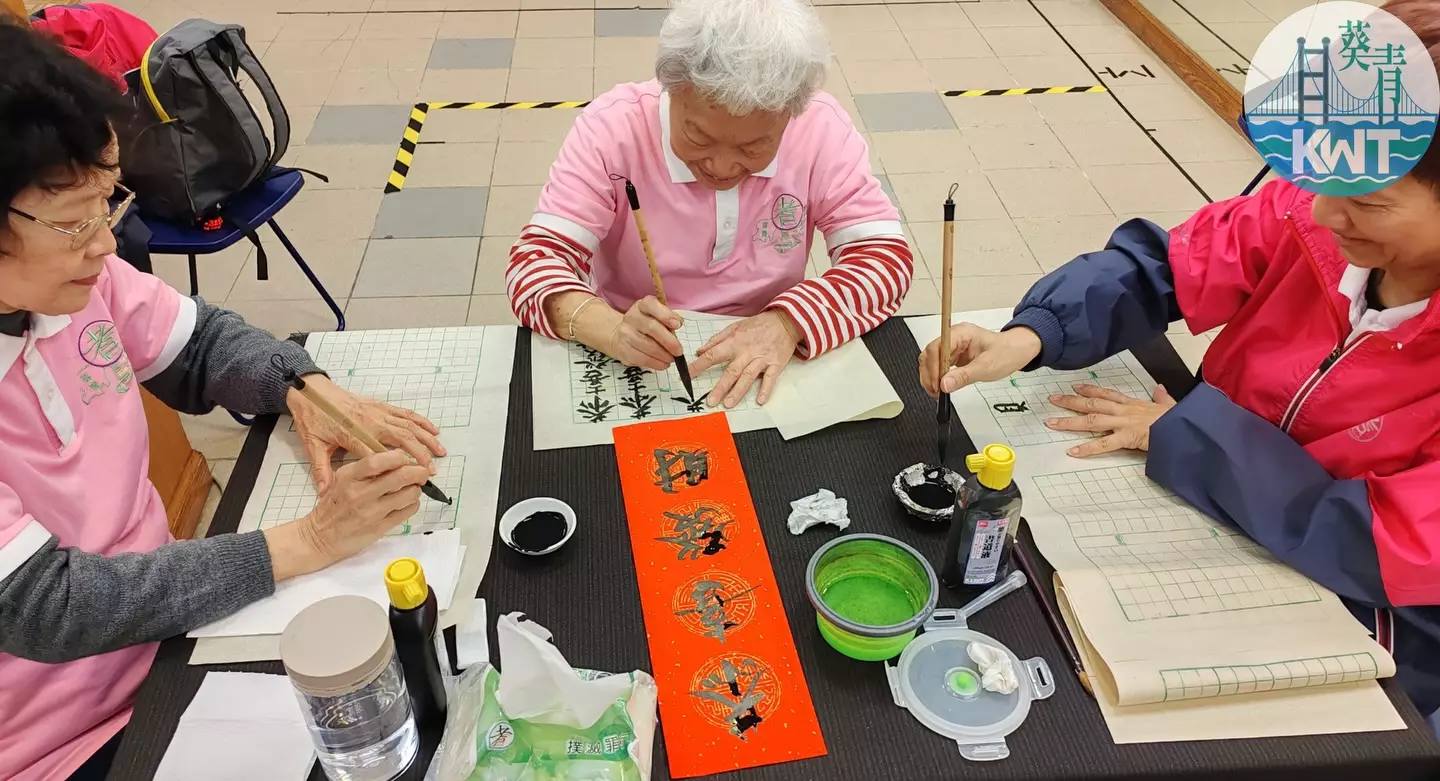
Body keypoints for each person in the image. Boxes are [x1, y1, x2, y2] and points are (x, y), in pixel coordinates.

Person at [919, 0, 1440, 730]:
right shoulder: (1309, 210)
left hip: (1367, 620)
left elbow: (1380, 543)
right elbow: (1165, 267)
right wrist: (1035, 333)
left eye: (1369, 201)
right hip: (1212, 503)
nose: (1324, 213)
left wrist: (1192, 436)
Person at [0, 23, 447, 781]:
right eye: (74, 219)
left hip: (178, 630)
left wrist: (302, 386)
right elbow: (46, 605)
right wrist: (309, 540)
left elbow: (201, 344)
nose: (106, 244)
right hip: (66, 736)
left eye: (109, 203)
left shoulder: (72, 281)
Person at [505, 0, 912, 409]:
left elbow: (885, 260)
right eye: (698, 138)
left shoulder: (819, 128)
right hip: (633, 349)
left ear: (790, 113)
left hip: (772, 347)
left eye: (753, 147)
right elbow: (534, 264)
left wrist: (789, 322)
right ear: (671, 87)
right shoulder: (614, 129)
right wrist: (610, 329)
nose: (722, 167)